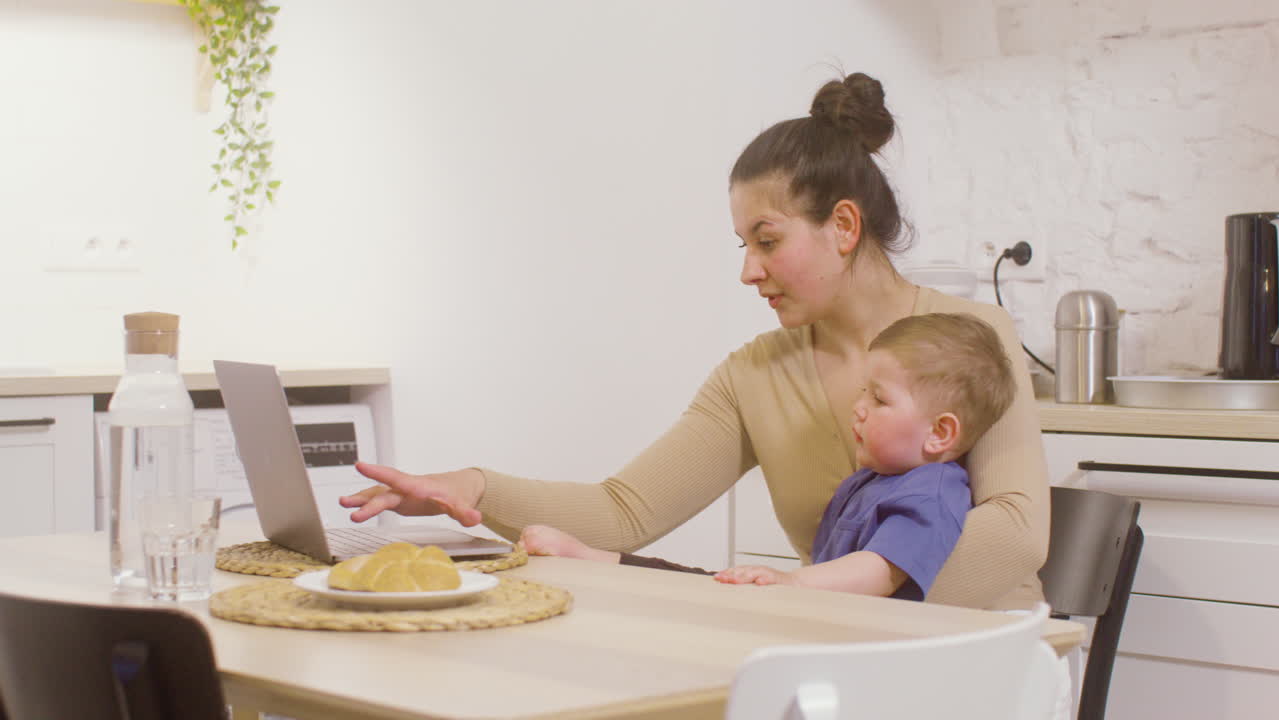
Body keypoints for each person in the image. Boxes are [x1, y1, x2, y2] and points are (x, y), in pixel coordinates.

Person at [341, 71, 1051, 610]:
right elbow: (623, 512)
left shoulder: (976, 337)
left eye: (767, 240)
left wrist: (798, 594)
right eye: (743, 244)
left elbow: (1017, 537)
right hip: (840, 660)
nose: (748, 271)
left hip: (979, 666)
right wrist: (471, 488)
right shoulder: (753, 377)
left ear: (842, 225)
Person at [521, 312, 1016, 601]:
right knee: (718, 584)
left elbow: (881, 570)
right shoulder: (875, 480)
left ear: (940, 433)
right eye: (863, 392)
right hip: (820, 624)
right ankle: (598, 559)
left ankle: (598, 562)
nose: (859, 408)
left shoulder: (933, 491)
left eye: (880, 400)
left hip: (865, 661)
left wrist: (794, 582)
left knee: (726, 592)